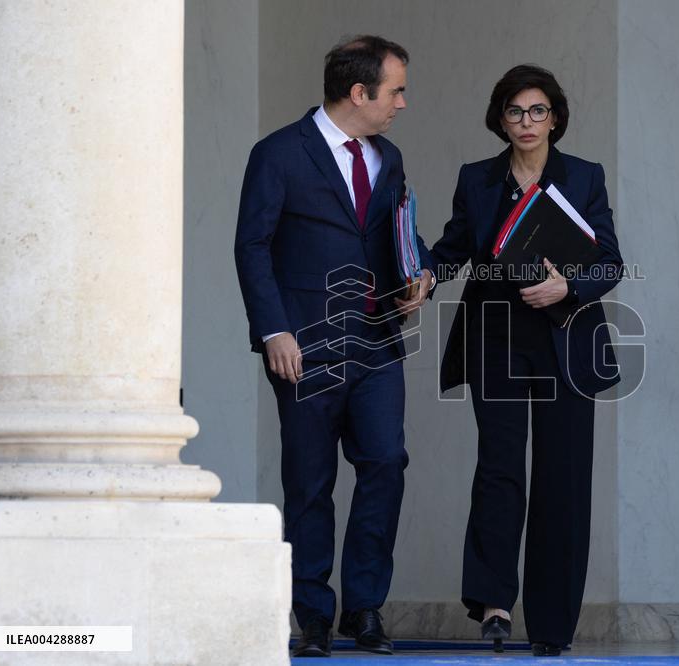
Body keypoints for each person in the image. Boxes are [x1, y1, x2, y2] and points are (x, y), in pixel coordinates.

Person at [234, 35, 434, 658]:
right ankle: (313, 615)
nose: (402, 102)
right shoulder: (278, 154)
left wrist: (419, 275)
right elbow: (253, 247)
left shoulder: (389, 157)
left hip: (375, 339)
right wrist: (274, 330)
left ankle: (365, 608)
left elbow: (402, 232)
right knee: (310, 482)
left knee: (385, 464)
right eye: (395, 89)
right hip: (305, 344)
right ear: (359, 92)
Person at [429, 64, 623, 656]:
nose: (527, 121)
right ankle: (492, 604)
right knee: (500, 468)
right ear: (501, 119)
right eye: (516, 111)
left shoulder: (583, 177)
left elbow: (609, 262)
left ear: (556, 118)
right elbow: (454, 248)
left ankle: (552, 624)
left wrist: (570, 288)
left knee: (563, 478)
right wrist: (420, 279)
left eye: (538, 111)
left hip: (565, 336)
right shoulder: (478, 180)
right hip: (497, 337)